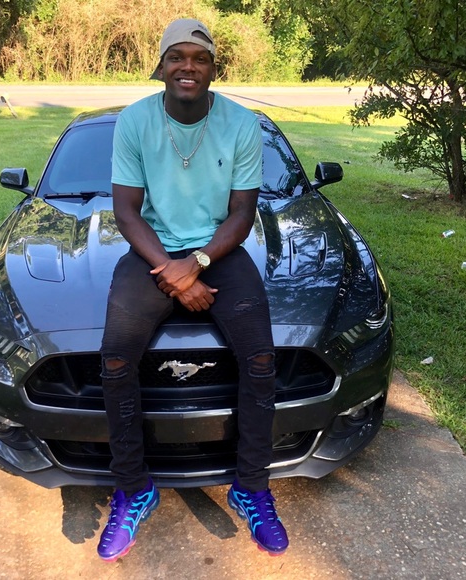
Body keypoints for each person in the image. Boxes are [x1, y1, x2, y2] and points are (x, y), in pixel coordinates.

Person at [97, 18, 289, 561]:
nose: (188, 66)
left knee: (260, 359)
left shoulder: (241, 124)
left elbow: (243, 213)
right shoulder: (135, 121)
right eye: (176, 57)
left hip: (218, 251)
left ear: (213, 69)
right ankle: (134, 489)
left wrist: (197, 263)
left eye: (200, 58)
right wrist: (172, 271)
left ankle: (251, 488)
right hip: (153, 252)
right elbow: (127, 211)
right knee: (115, 359)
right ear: (160, 66)